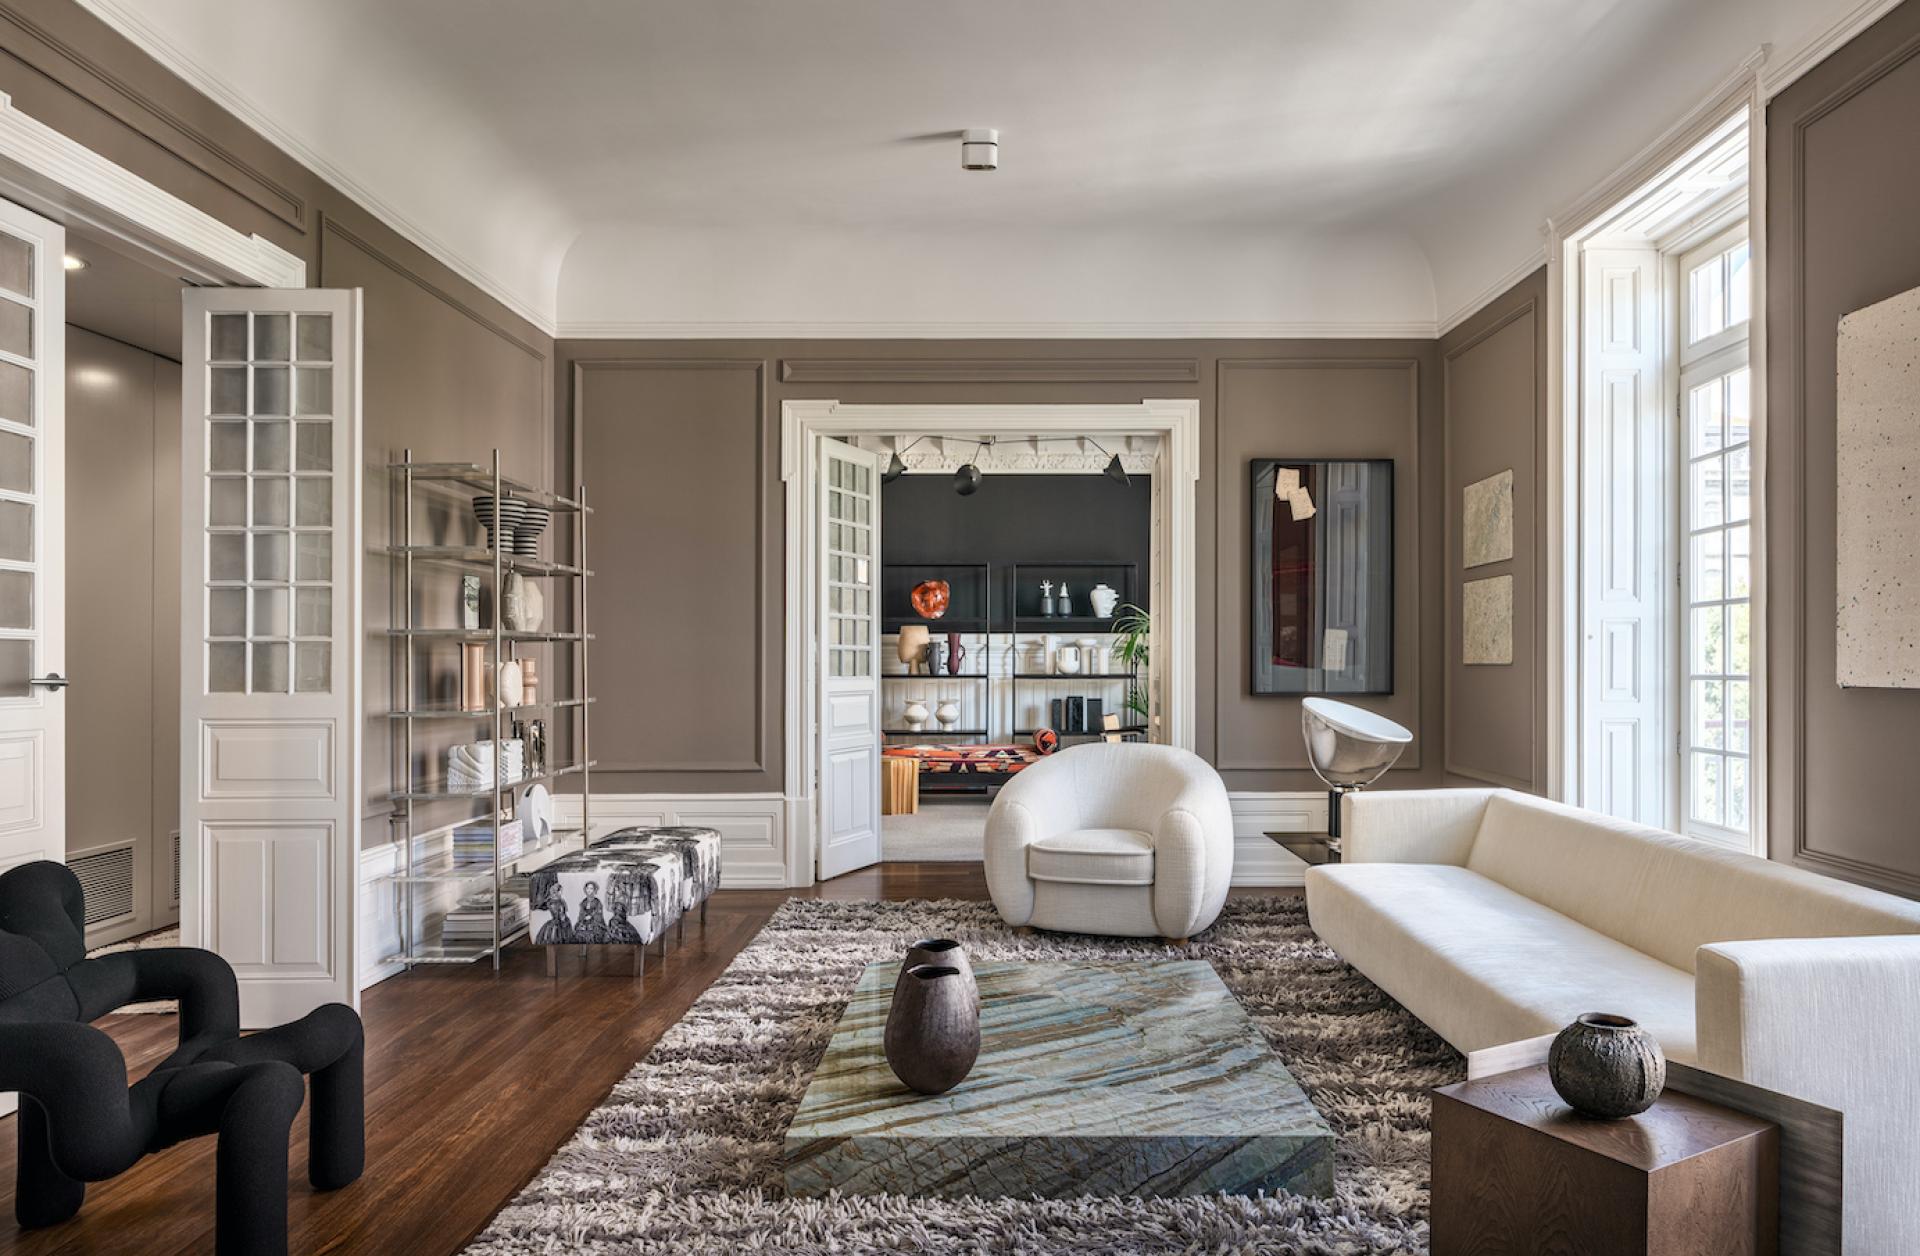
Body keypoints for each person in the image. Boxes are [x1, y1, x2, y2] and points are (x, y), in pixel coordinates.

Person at [534, 879, 573, 945]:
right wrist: (560, 918)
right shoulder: (551, 902)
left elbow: (564, 910)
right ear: (556, 891)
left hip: (564, 920)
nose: (561, 892)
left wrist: (564, 918)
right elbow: (556, 913)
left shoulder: (561, 900)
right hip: (557, 921)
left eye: (561, 891)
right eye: (560, 891)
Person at [574, 879, 607, 943]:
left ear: (594, 890)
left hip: (596, 923)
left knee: (594, 935)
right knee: (578, 933)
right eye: (588, 888)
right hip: (584, 922)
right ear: (585, 889)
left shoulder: (597, 902)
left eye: (591, 888)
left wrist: (591, 916)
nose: (589, 890)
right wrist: (584, 917)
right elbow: (581, 913)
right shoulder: (584, 901)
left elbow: (598, 913)